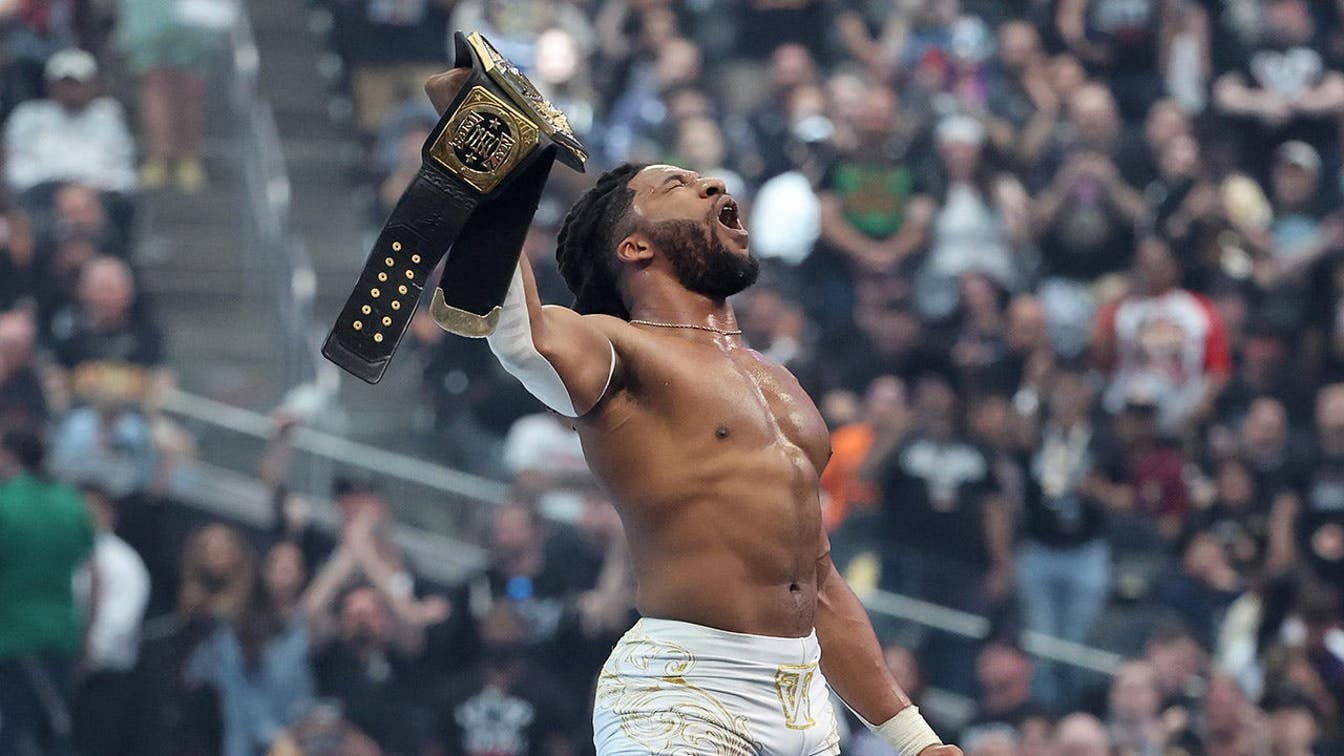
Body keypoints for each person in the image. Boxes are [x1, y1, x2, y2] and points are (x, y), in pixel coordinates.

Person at [421, 70, 963, 756]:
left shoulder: (781, 383)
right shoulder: (620, 348)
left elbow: (819, 584)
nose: (711, 185)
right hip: (683, 692)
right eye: (677, 184)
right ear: (635, 247)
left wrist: (915, 740)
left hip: (807, 710)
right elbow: (520, 332)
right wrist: (476, 145)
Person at [0, 427, 96, 756]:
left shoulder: (5, 503)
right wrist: (88, 632)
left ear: (8, 456)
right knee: (48, 730)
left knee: (12, 733)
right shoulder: (71, 504)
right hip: (60, 635)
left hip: (9, 637)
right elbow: (94, 573)